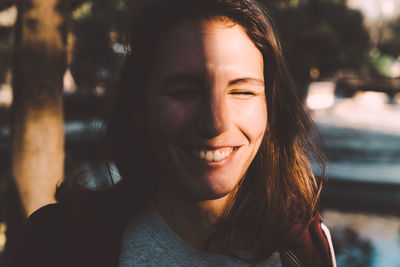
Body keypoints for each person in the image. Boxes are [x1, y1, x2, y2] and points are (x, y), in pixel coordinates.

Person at [6, 0, 336, 266]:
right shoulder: (58, 245)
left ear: (270, 108)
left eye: (242, 92)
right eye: (184, 91)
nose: (215, 122)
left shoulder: (304, 246)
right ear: (139, 107)